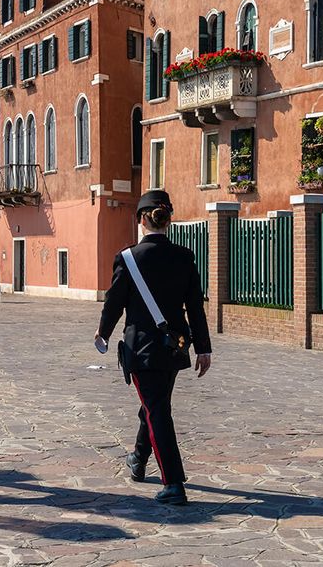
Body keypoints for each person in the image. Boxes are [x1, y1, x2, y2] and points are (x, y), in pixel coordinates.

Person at [95, 190, 212, 507]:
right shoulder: (184, 256)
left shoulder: (129, 258)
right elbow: (195, 307)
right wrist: (204, 348)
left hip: (143, 350)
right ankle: (138, 457)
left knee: (157, 410)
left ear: (140, 219)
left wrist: (103, 333)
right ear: (168, 220)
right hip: (174, 347)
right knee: (155, 405)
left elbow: (114, 303)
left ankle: (173, 482)